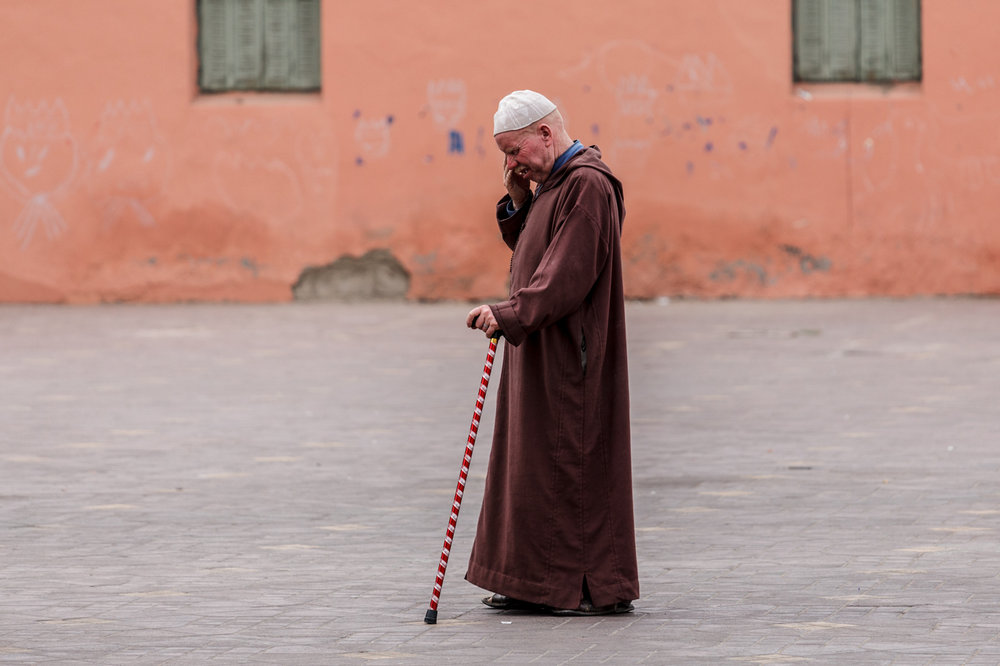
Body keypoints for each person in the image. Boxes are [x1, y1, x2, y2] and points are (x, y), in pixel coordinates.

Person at [464, 90, 639, 616]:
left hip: (568, 352)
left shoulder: (586, 183)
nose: (511, 163)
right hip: (542, 346)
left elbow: (565, 275)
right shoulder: (554, 185)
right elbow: (536, 249)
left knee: (569, 462)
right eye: (504, 156)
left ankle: (581, 584)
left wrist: (510, 314)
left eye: (515, 151)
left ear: (546, 133)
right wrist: (519, 199)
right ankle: (534, 580)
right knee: (534, 463)